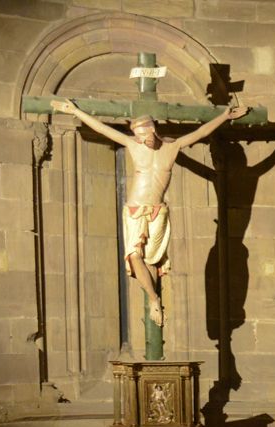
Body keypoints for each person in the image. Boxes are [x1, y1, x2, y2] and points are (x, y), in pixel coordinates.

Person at [50, 98, 248, 327]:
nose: (142, 140)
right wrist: (76, 111)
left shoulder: (172, 147)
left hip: (158, 210)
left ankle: (155, 302)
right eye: (138, 136)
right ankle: (154, 300)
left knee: (152, 260)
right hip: (135, 209)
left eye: (144, 135)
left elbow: (201, 132)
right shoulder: (134, 145)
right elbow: (103, 129)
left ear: (153, 130)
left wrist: (225, 116)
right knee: (134, 256)